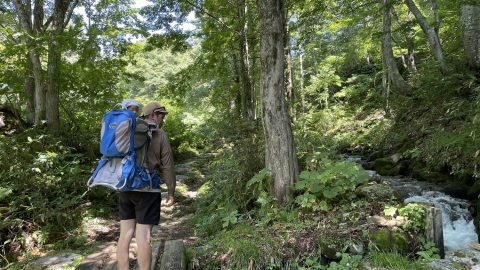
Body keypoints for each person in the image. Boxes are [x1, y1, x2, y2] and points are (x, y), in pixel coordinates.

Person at [116, 101, 176, 270]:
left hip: (125, 187)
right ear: (152, 115)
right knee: (143, 236)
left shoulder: (129, 129)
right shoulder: (160, 134)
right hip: (148, 190)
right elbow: (167, 165)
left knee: (124, 236)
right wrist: (171, 191)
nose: (163, 119)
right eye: (161, 115)